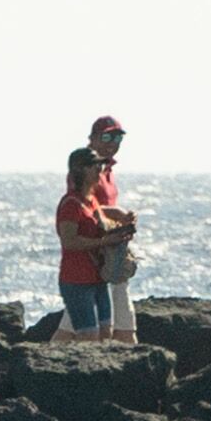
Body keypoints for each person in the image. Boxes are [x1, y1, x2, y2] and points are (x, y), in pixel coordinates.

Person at [55, 146, 134, 341]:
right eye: (95, 166)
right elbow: (69, 241)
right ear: (81, 170)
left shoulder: (91, 201)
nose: (100, 170)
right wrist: (105, 241)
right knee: (88, 336)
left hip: (97, 279)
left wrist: (121, 231)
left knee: (106, 331)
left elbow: (102, 224)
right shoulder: (71, 205)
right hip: (77, 281)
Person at [86, 113, 136, 342]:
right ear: (93, 138)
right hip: (96, 254)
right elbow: (82, 207)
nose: (113, 145)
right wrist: (115, 214)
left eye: (117, 139)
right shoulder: (86, 168)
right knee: (82, 327)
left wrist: (123, 222)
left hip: (113, 251)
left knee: (123, 322)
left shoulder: (107, 170)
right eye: (107, 138)